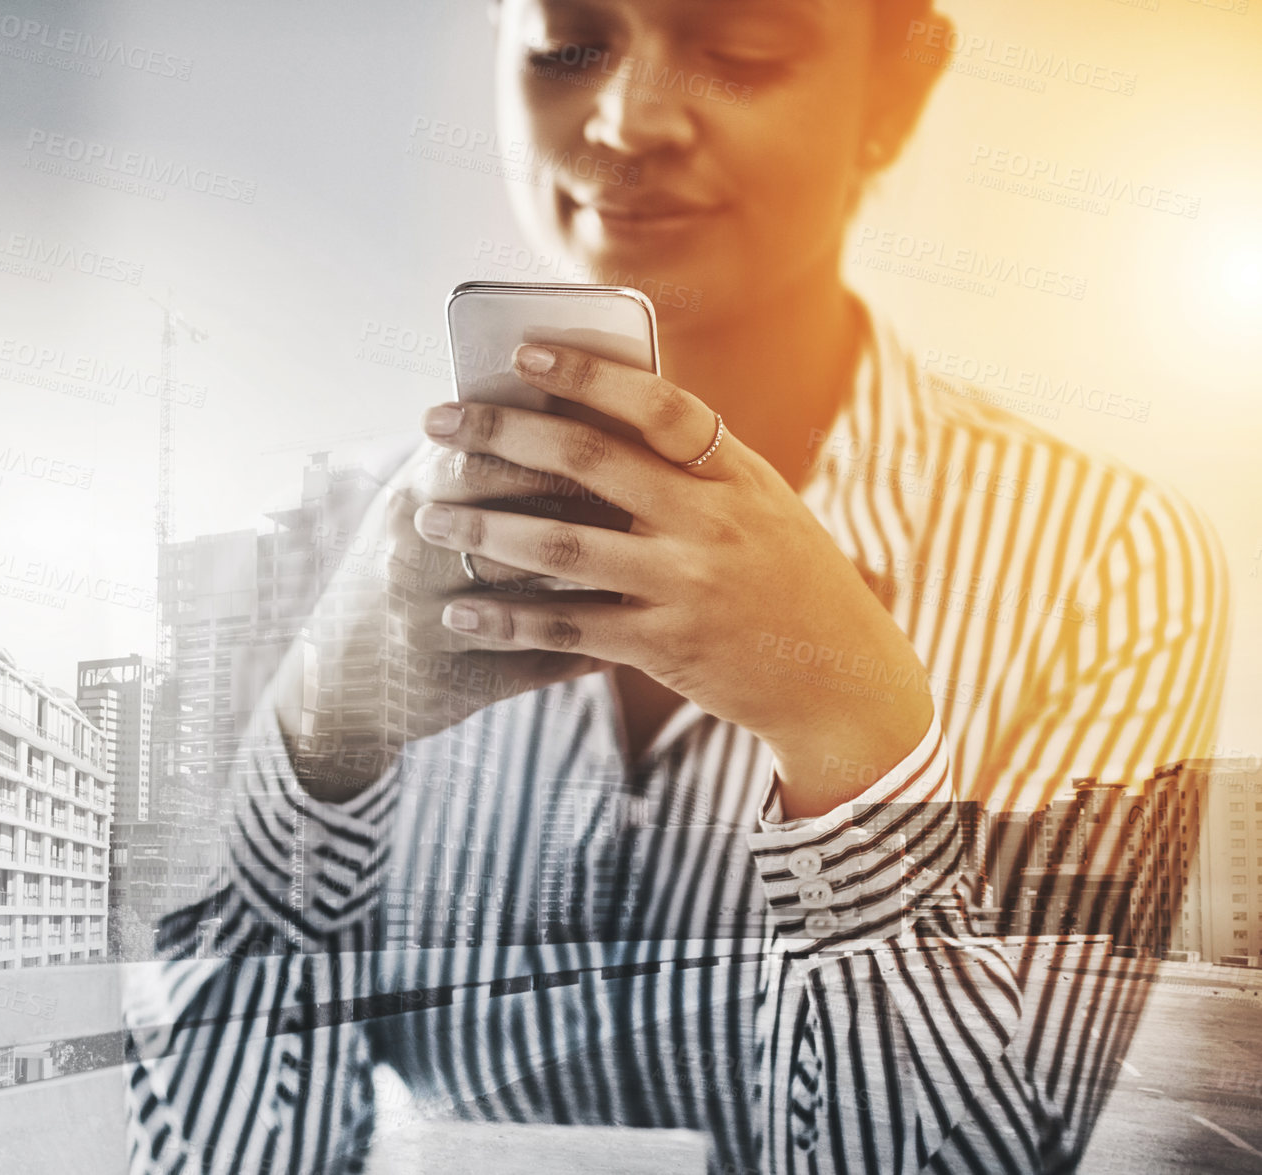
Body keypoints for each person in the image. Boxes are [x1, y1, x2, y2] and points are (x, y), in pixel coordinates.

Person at [125, 1, 1231, 1171]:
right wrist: (317, 750)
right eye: (567, 44)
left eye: (739, 51)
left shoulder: (1107, 559)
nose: (626, 119)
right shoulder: (335, 537)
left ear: (894, 91)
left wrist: (856, 741)